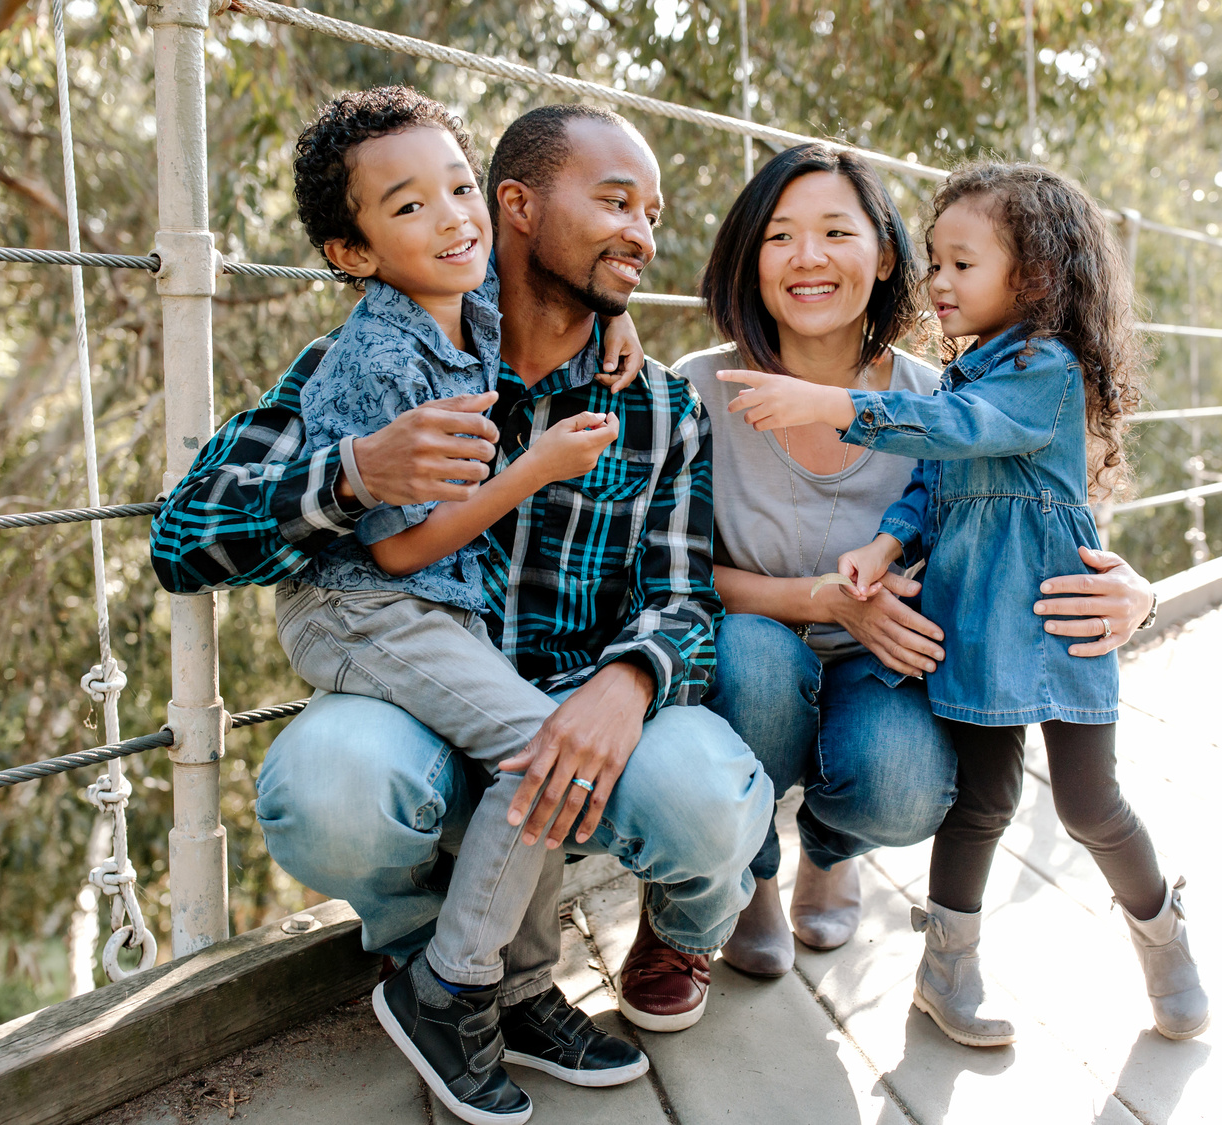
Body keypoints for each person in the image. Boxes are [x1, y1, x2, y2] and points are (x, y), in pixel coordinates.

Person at [149, 103, 772, 1101]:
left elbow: (684, 598)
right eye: (613, 203)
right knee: (334, 783)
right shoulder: (379, 358)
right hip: (412, 687)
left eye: (649, 212)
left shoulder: (651, 401)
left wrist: (627, 680)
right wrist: (350, 473)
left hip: (575, 698)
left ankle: (537, 983)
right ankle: (438, 974)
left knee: (701, 794)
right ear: (514, 206)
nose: (642, 234)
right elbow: (181, 539)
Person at [719, 161, 1208, 1047]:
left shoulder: (1042, 372)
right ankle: (947, 970)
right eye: (934, 263)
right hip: (973, 626)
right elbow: (930, 485)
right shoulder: (956, 377)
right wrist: (884, 543)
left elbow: (962, 431)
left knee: (1089, 803)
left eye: (962, 264)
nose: (938, 282)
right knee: (981, 801)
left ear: (1036, 277)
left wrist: (833, 405)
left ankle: (1163, 933)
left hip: (1056, 616)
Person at [275, 88, 649, 1125]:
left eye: (456, 187)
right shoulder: (381, 356)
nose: (450, 218)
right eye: (407, 208)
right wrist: (532, 469)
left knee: (534, 758)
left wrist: (616, 310)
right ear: (353, 253)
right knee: (545, 750)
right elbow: (394, 543)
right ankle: (450, 989)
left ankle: (521, 995)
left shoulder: (470, 307)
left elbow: (557, 292)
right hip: (364, 605)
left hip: (430, 612)